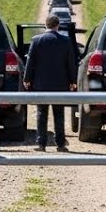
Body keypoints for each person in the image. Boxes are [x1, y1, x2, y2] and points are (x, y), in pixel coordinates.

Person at [23, 14, 78, 152]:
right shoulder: (66, 41)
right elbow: (70, 63)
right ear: (57, 25)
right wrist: (73, 81)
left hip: (41, 84)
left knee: (42, 113)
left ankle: (41, 143)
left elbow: (30, 62)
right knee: (59, 114)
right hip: (60, 84)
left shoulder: (36, 40)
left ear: (45, 25)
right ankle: (60, 144)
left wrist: (27, 79)